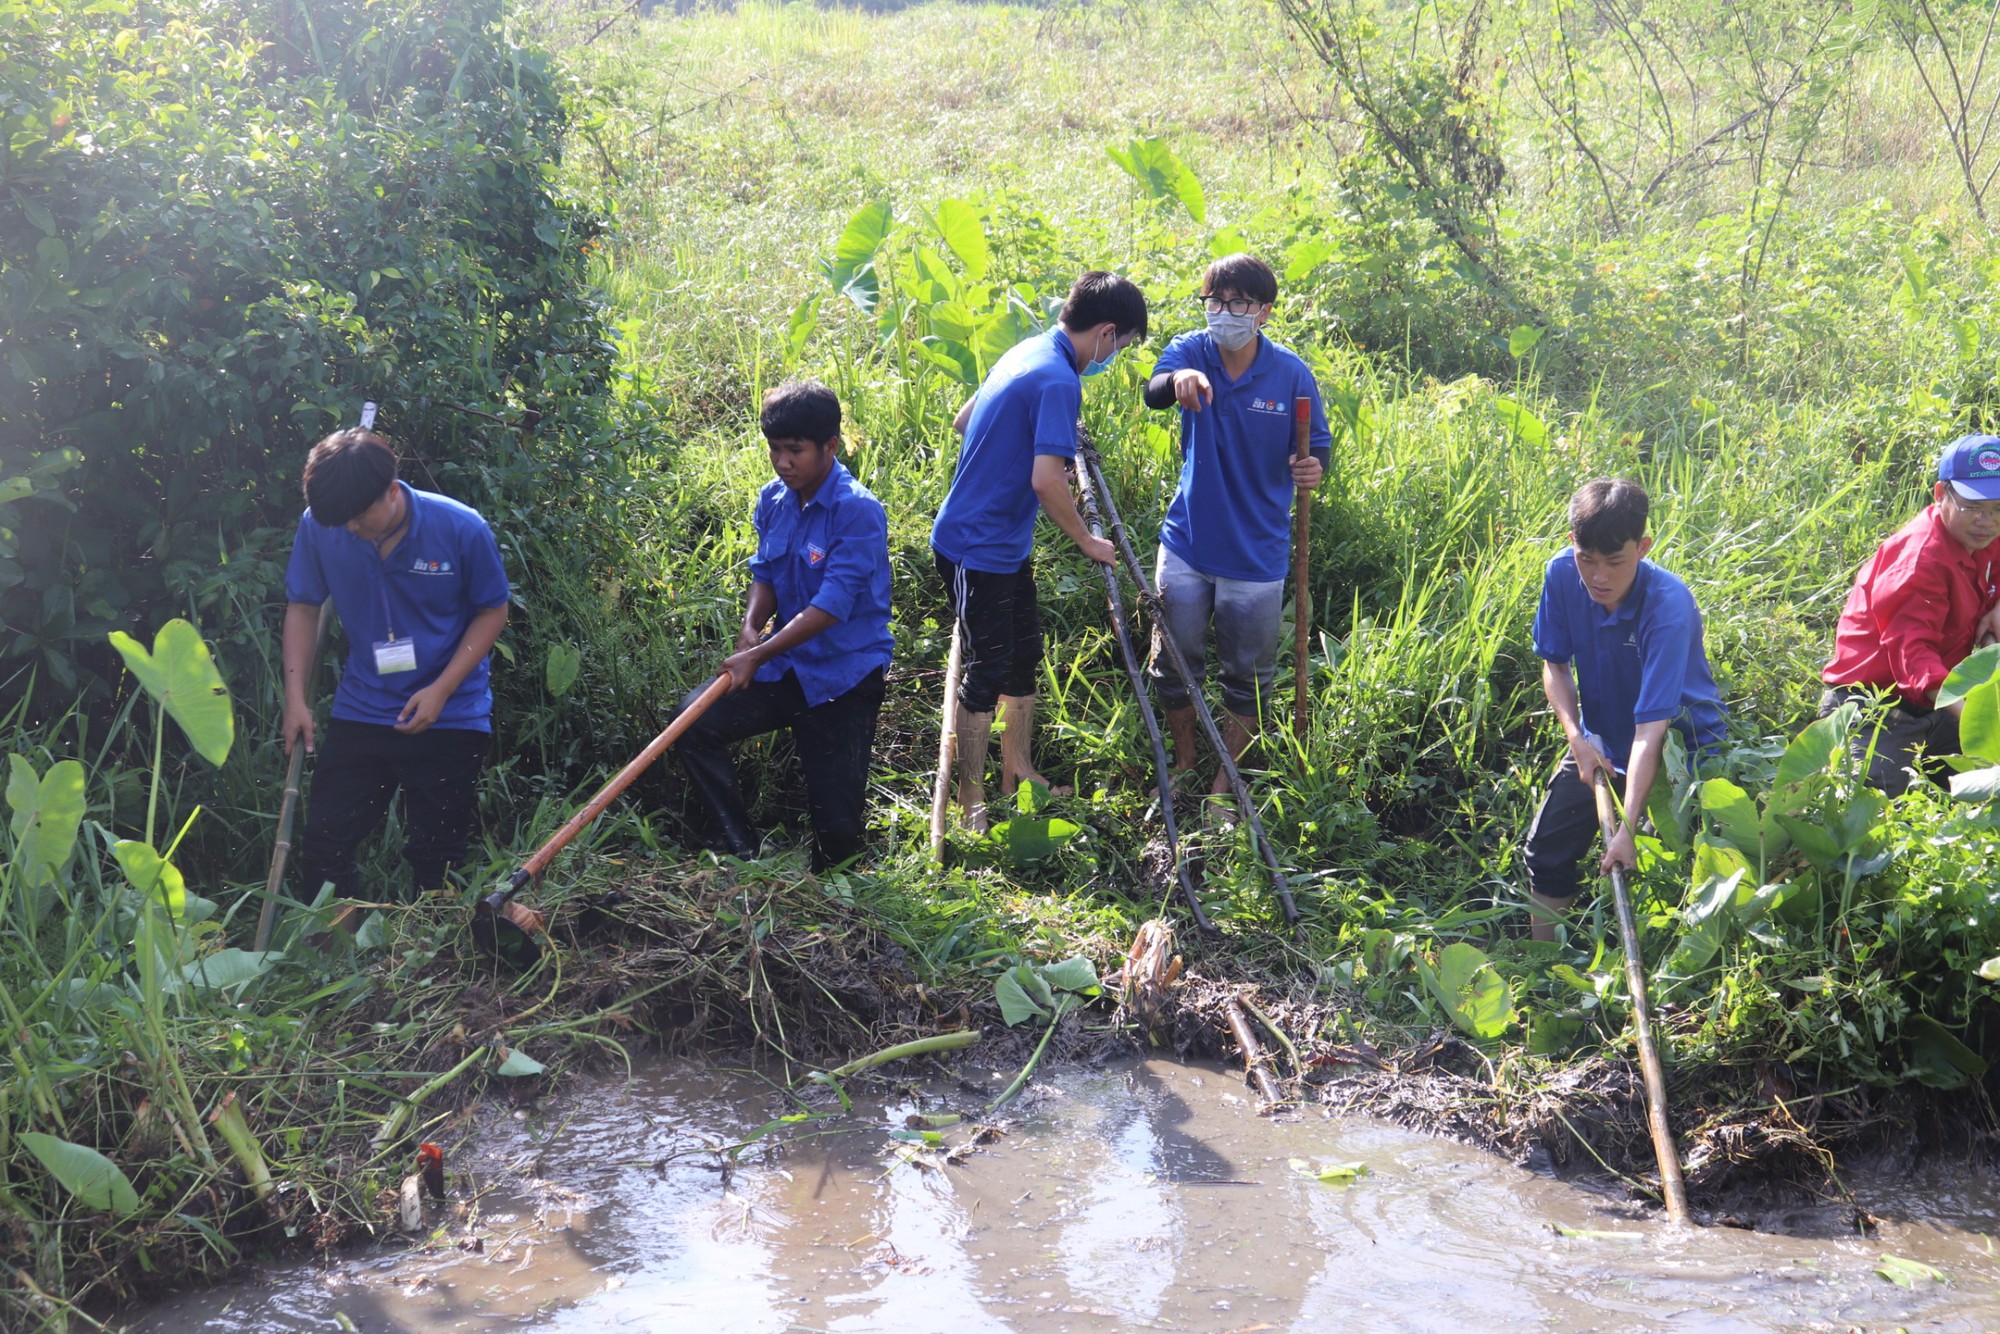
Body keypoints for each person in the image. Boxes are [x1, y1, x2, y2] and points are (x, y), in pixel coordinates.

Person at [931, 270, 1149, 831]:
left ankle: (1017, 772)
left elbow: (964, 420)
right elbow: (1047, 482)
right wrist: (1088, 541)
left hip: (1004, 544)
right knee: (985, 671)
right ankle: (970, 804)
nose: (1113, 357)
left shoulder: (1027, 349)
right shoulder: (1058, 379)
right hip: (975, 547)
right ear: (1105, 332)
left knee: (1022, 655)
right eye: (1119, 347)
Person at [282, 428, 510, 916]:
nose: (350, 531)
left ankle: (434, 968)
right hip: (363, 706)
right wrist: (296, 699)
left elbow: (493, 610)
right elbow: (303, 605)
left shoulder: (461, 528)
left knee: (438, 859)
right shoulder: (322, 525)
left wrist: (441, 690)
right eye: (340, 522)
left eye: (360, 518)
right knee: (325, 844)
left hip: (452, 713)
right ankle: (335, 968)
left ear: (391, 490)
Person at [671, 380, 893, 870]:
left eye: (795, 451)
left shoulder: (857, 511)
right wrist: (752, 626)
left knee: (837, 841)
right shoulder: (774, 499)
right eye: (775, 449)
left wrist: (757, 654)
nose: (783, 462)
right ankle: (740, 851)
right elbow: (766, 572)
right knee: (690, 724)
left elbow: (831, 605)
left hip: (843, 677)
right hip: (785, 666)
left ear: (829, 447)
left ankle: (833, 883)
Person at [1140, 253, 1330, 814]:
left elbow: (1316, 446)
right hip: (1188, 545)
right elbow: (1154, 390)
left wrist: (1313, 469)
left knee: (1247, 678)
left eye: (1238, 303)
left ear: (1264, 312)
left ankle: (1226, 782)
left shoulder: (1290, 373)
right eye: (1215, 302)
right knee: (1173, 665)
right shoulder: (1192, 350)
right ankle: (1183, 762)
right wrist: (1179, 380)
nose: (1224, 313)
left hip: (1258, 554)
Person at [1525, 478, 1725, 941]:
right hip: (1601, 737)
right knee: (1547, 849)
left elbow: (1651, 731)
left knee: (1662, 870)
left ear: (1643, 547)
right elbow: (1554, 664)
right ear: (1572, 542)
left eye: (1615, 562)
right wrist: (1576, 736)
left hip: (1683, 749)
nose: (1598, 576)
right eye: (1587, 559)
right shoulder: (1560, 574)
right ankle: (1541, 971)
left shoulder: (1669, 606)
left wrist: (1628, 828)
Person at [1820, 434, 2000, 793]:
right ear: (1939, 494)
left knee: (1981, 797)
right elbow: (1915, 661)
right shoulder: (1919, 562)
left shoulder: (1987, 534)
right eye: (1973, 507)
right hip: (1877, 707)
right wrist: (1983, 729)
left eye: (1998, 509)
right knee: (1875, 812)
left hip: (1942, 703)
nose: (1987, 521)